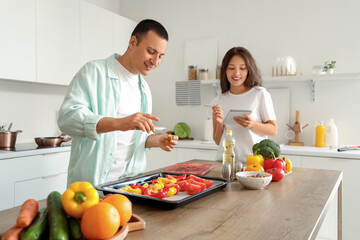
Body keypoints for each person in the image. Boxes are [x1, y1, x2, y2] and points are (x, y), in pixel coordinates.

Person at [58, 19, 178, 186]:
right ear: (133, 42)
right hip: (91, 187)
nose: (155, 62)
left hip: (129, 186)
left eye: (160, 56)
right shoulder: (94, 72)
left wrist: (155, 140)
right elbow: (67, 118)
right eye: (151, 52)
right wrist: (120, 123)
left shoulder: (144, 89)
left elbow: (133, 139)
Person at [211, 47, 278, 163]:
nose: (236, 73)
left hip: (252, 164)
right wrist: (220, 123)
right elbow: (218, 141)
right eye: (231, 68)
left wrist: (253, 125)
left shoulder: (260, 94)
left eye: (242, 68)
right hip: (225, 164)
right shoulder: (219, 100)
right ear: (225, 71)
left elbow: (273, 130)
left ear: (248, 70)